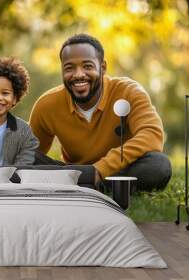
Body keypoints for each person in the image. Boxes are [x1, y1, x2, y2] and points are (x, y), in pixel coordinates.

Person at [29, 33, 172, 191]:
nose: (78, 74)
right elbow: (30, 153)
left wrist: (99, 169)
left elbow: (152, 135)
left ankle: (79, 185)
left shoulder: (129, 92)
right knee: (22, 156)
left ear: (102, 68)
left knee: (158, 165)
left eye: (87, 66)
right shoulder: (47, 105)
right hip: (74, 172)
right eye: (69, 68)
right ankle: (83, 183)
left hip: (118, 170)